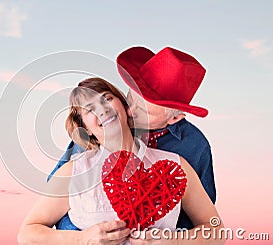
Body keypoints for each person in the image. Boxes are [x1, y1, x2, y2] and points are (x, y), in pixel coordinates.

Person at [18, 78, 224, 245]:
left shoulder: (175, 166)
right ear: (86, 128)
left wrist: (173, 241)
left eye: (107, 98)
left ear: (124, 107)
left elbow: (216, 230)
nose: (102, 109)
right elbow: (27, 234)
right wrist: (81, 239)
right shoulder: (75, 171)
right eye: (89, 109)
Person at [48, 46, 216, 230]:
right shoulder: (104, 127)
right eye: (130, 100)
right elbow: (59, 195)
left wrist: (168, 239)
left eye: (143, 110)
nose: (129, 111)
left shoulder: (193, 147)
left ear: (174, 118)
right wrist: (83, 237)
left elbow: (203, 220)